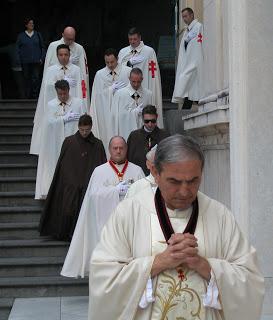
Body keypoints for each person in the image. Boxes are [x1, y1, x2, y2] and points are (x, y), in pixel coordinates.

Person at [88, 134, 264, 320]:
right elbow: (104, 280)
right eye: (174, 181)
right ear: (156, 173)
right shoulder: (128, 213)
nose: (184, 191)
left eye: (193, 181)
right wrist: (159, 262)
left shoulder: (219, 215)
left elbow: (251, 282)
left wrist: (204, 265)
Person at [61, 136, 144, 278]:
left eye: (121, 148)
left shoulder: (137, 171)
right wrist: (115, 191)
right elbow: (92, 197)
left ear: (126, 149)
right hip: (105, 224)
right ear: (109, 150)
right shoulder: (99, 171)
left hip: (131, 224)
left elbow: (145, 196)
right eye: (115, 148)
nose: (118, 151)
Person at [39, 114, 106, 241]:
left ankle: (81, 235)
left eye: (87, 130)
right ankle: (65, 233)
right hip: (70, 183)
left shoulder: (97, 144)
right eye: (82, 130)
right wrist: (68, 181)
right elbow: (63, 164)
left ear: (91, 127)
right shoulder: (69, 141)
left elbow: (101, 165)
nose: (85, 133)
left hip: (88, 183)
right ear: (78, 127)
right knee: (69, 209)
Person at [35, 80, 86, 199]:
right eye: (60, 94)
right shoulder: (51, 105)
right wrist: (63, 119)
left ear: (69, 90)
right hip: (55, 142)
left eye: (65, 93)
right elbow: (47, 124)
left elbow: (85, 121)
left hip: (74, 141)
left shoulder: (78, 103)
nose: (63, 96)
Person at [30, 44, 85, 155]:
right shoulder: (51, 70)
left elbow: (80, 88)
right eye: (61, 55)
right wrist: (61, 80)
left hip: (72, 107)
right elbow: (47, 89)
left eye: (66, 54)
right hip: (56, 107)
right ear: (57, 56)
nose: (63, 57)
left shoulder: (76, 70)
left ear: (70, 55)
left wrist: (80, 107)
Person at [118, 27, 163, 127]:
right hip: (128, 91)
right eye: (130, 39)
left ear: (139, 38)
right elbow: (119, 70)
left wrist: (151, 89)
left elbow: (153, 74)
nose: (132, 42)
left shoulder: (149, 51)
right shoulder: (123, 52)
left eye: (134, 39)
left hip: (144, 88)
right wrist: (128, 63)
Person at [90, 48, 131, 152]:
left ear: (117, 59)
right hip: (106, 112)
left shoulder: (127, 72)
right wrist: (109, 90)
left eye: (112, 62)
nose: (110, 65)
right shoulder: (100, 74)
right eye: (107, 62)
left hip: (123, 110)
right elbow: (96, 97)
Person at [43, 26, 89, 106]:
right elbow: (49, 68)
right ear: (63, 35)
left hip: (74, 87)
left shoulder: (79, 48)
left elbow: (84, 72)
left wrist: (84, 93)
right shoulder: (53, 46)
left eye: (72, 39)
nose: (70, 41)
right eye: (68, 39)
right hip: (56, 87)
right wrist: (68, 61)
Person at [172, 8, 204, 109]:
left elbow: (200, 44)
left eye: (186, 16)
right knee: (189, 88)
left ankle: (190, 106)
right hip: (188, 63)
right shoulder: (186, 31)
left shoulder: (199, 27)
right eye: (182, 17)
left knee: (193, 88)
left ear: (191, 15)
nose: (184, 19)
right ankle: (187, 107)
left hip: (196, 63)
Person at [127, 105, 169, 175]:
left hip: (159, 176)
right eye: (147, 121)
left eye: (153, 121)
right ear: (142, 119)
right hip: (138, 177)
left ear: (157, 117)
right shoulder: (134, 136)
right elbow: (128, 158)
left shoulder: (165, 136)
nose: (150, 124)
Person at [112, 68, 152, 140]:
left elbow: (152, 115)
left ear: (142, 79)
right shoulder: (119, 94)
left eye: (138, 82)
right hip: (125, 132)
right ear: (129, 78)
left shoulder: (148, 94)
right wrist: (134, 113)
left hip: (143, 133)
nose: (136, 84)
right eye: (133, 81)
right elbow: (116, 117)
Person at [15, 18, 46, 98]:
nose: (32, 24)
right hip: (25, 61)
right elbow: (17, 48)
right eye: (30, 23)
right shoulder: (21, 36)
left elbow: (43, 47)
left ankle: (35, 96)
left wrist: (41, 58)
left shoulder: (38, 34)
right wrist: (19, 60)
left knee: (35, 78)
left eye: (32, 23)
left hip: (36, 61)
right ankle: (27, 96)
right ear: (26, 25)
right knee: (26, 79)